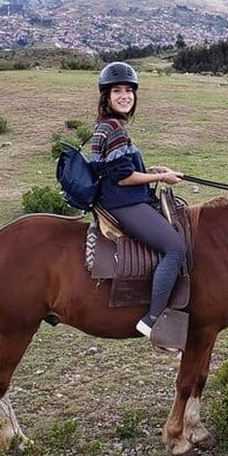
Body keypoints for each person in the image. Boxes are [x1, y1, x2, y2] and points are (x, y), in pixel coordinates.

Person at [89, 62, 186, 339]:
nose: (124, 96)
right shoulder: (114, 129)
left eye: (128, 90)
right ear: (106, 96)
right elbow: (123, 178)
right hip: (123, 203)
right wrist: (162, 178)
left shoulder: (107, 125)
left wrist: (152, 170)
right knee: (175, 248)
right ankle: (153, 318)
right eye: (117, 91)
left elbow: (117, 168)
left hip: (119, 197)